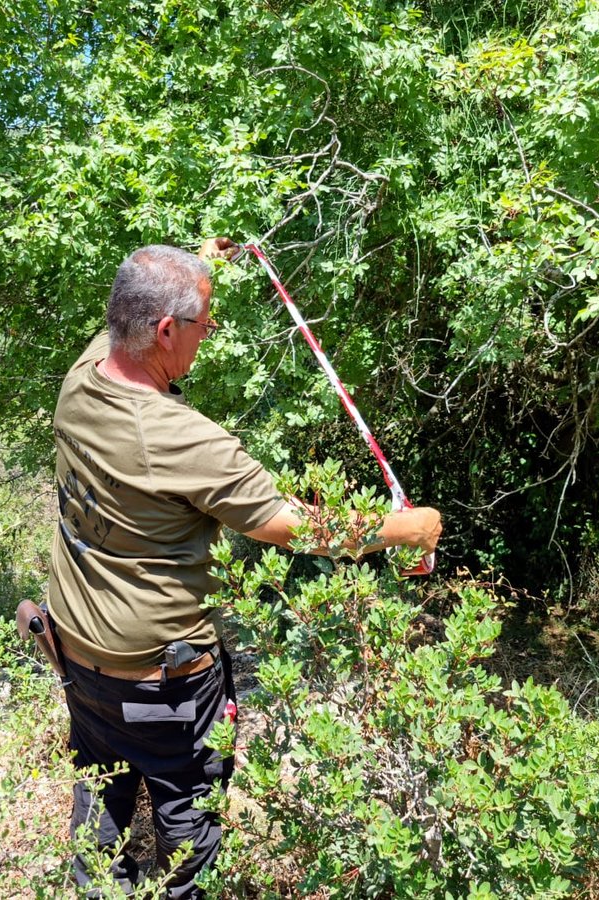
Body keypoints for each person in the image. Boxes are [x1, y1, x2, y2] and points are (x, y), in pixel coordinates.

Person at [47, 240, 441, 897]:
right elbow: (293, 526)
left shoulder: (85, 373)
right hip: (164, 689)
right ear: (165, 329)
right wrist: (407, 528)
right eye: (205, 324)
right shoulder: (182, 438)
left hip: (81, 662)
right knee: (187, 848)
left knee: (99, 823)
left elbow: (135, 313)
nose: (208, 337)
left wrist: (201, 265)